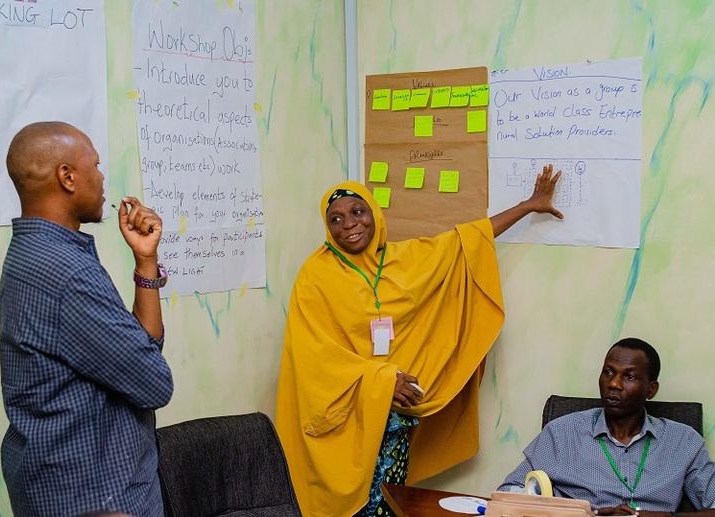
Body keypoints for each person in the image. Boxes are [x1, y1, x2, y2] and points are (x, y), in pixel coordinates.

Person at [274, 166, 563, 516]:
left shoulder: (405, 259)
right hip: (347, 418)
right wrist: (382, 381)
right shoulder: (315, 276)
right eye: (335, 219)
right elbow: (312, 353)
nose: (348, 224)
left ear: (375, 215)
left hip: (396, 416)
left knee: (389, 502)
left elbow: (466, 241)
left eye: (357, 212)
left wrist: (528, 205)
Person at [0, 121, 174, 516]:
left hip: (62, 488)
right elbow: (155, 383)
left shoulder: (33, 253)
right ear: (68, 177)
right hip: (98, 500)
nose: (102, 176)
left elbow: (142, 351)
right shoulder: (65, 274)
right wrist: (147, 361)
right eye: (95, 164)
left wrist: (146, 260)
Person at [498, 338, 715, 516]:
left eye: (628, 376)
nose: (613, 384)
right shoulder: (563, 432)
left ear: (651, 389)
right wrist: (588, 513)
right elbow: (508, 493)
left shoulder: (683, 441)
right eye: (608, 372)